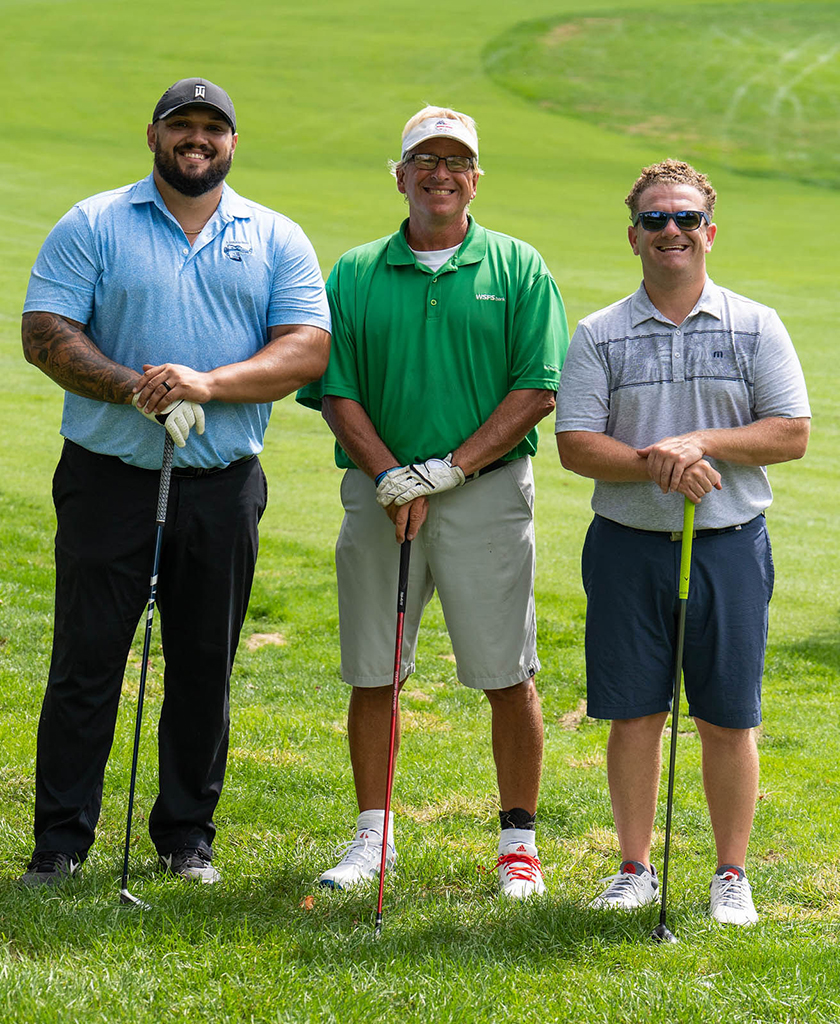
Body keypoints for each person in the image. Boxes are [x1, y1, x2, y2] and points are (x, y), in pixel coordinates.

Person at [19, 77, 331, 886]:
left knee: (202, 665)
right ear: (152, 135)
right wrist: (134, 387)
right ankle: (60, 842)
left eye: (212, 129)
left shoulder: (273, 236)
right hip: (107, 477)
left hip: (222, 481)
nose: (198, 139)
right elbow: (46, 331)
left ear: (232, 142)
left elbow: (306, 347)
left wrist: (207, 384)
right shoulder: (93, 223)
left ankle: (187, 835)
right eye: (181, 126)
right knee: (87, 662)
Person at [297, 105, 568, 898]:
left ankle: (518, 845)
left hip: (484, 494)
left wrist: (445, 470)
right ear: (400, 174)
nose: (440, 174)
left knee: (506, 672)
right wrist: (389, 474)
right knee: (374, 670)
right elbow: (336, 389)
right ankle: (372, 839)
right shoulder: (353, 272)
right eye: (425, 159)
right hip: (379, 496)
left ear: (476, 177)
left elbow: (537, 388)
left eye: (456, 161)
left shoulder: (519, 267)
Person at [555, 159, 810, 925]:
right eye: (657, 220)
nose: (673, 231)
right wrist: (660, 465)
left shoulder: (755, 323)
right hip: (628, 544)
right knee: (634, 712)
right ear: (633, 234)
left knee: (728, 715)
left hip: (730, 544)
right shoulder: (599, 333)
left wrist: (697, 442)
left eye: (687, 218)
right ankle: (635, 867)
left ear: (710, 230)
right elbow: (574, 445)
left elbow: (791, 432)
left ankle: (732, 875)